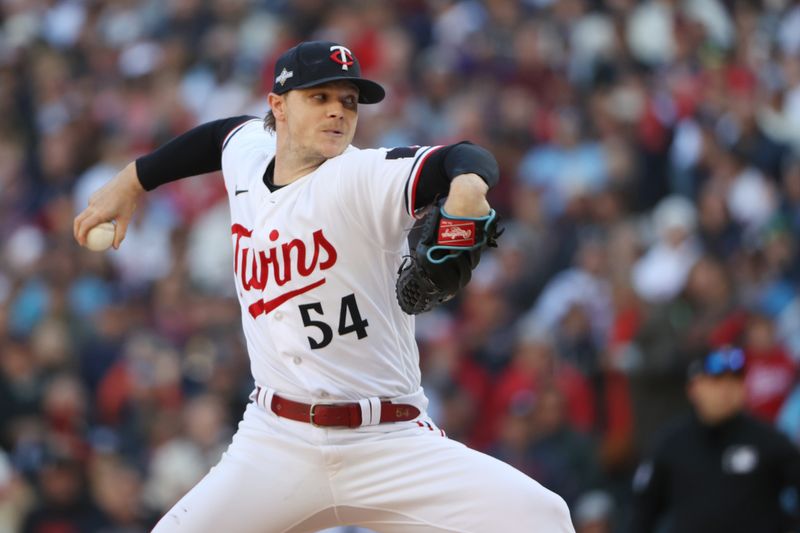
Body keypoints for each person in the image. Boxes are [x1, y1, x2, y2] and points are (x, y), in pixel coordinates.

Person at [73, 41, 574, 533]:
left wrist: (466, 188)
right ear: (278, 107)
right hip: (276, 442)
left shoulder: (359, 176)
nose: (338, 112)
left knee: (542, 518)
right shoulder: (249, 155)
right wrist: (132, 181)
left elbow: (462, 157)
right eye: (320, 97)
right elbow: (216, 138)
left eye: (348, 101)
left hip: (388, 441)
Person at [627, 346, 800, 533]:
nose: (727, 389)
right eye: (717, 381)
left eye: (735, 380)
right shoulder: (671, 444)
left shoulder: (770, 441)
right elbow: (642, 514)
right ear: (693, 388)